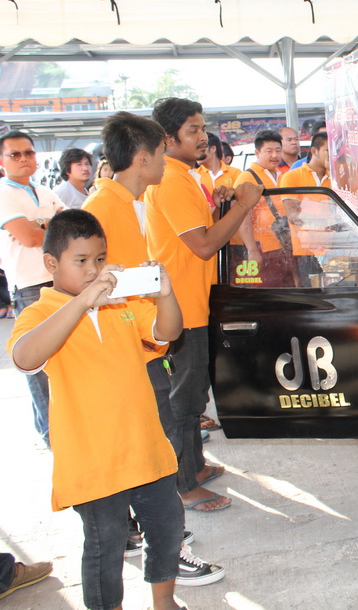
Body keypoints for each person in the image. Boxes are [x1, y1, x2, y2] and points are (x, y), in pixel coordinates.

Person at [8, 209, 188, 610]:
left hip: (144, 448)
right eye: (81, 260)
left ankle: (165, 601)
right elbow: (24, 357)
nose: (93, 270)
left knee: (167, 527)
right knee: (106, 545)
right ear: (51, 263)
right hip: (92, 462)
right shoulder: (40, 313)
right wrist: (83, 303)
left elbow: (168, 331)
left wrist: (165, 294)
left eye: (100, 258)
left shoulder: (121, 304)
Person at [83, 112, 228, 583]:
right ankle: (166, 547)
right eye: (162, 153)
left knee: (154, 442)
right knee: (155, 448)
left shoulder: (122, 202)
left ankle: (144, 533)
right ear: (143, 158)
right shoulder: (105, 208)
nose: (167, 161)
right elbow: (95, 286)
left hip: (141, 342)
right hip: (126, 351)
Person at [145, 98, 262, 511]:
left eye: (202, 128)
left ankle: (194, 467)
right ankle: (183, 484)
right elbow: (204, 245)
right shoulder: (172, 180)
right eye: (192, 129)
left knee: (194, 395)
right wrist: (244, 205)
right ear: (167, 137)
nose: (203, 137)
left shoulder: (187, 175)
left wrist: (221, 202)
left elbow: (203, 229)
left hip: (194, 301)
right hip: (182, 307)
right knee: (185, 401)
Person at [0, 129, 65, 445]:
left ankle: (67, 429)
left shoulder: (44, 190)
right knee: (38, 364)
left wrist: (41, 225)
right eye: (15, 154)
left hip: (61, 283)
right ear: (2, 161)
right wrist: (48, 225)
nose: (23, 158)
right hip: (29, 287)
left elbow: (72, 224)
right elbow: (28, 238)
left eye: (28, 152)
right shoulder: (3, 193)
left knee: (65, 359)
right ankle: (52, 434)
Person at [234, 129, 295, 287]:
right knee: (266, 291)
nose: (275, 155)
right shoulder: (247, 177)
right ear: (257, 153)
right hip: (263, 249)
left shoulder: (282, 176)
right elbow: (241, 217)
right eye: (269, 151)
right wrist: (252, 250)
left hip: (285, 247)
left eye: (278, 150)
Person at [281, 131, 330, 284]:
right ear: (314, 151)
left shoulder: (336, 178)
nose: (333, 156)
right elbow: (293, 216)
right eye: (328, 151)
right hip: (306, 250)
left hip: (335, 247)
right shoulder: (292, 176)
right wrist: (326, 220)